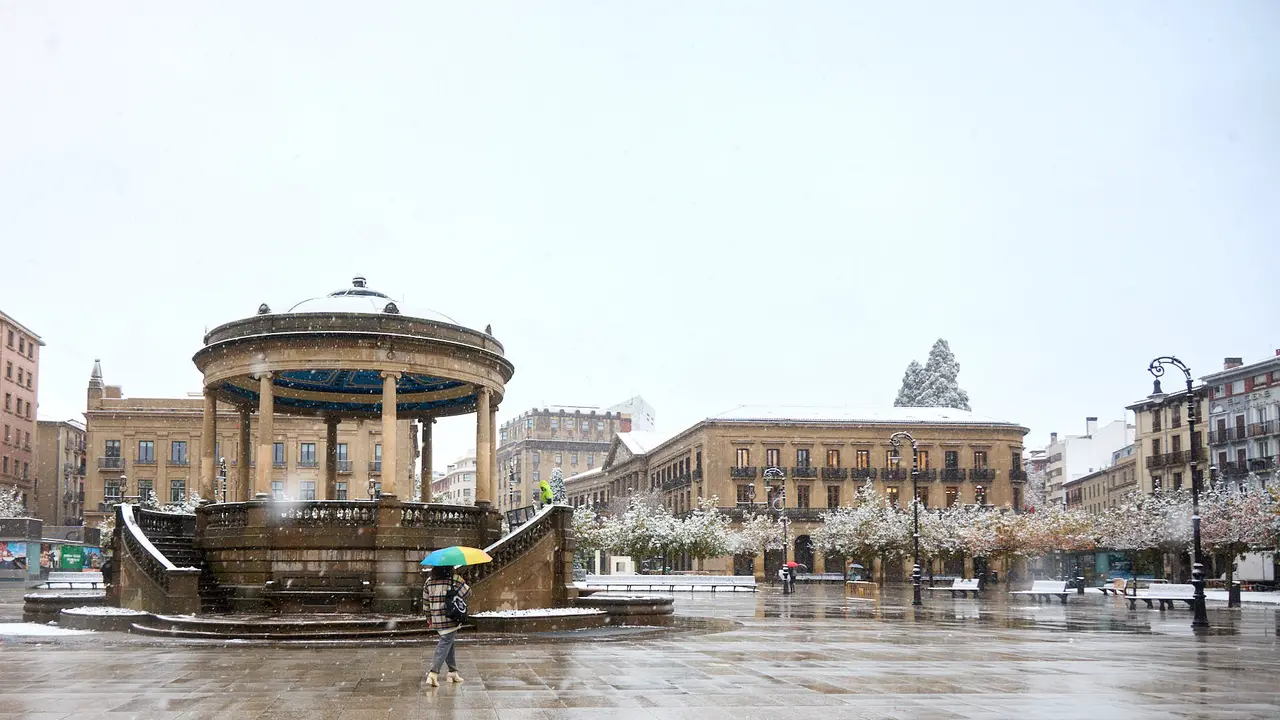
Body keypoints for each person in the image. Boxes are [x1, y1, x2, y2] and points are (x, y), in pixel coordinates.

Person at [422, 564, 471, 687]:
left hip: (437, 618)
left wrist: (429, 618)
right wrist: (460, 581)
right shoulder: (453, 579)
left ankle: (452, 672)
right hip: (451, 616)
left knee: (449, 642)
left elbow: (425, 602)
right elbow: (468, 593)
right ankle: (433, 673)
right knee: (445, 643)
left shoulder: (429, 581)